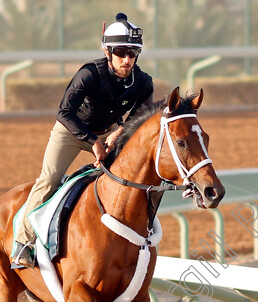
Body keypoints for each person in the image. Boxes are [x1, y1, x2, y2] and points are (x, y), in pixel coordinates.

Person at [11, 12, 155, 269]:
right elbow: (64, 112)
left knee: (127, 177)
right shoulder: (89, 74)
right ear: (107, 51)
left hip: (107, 132)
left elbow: (137, 118)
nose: (126, 59)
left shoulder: (143, 83)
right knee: (49, 180)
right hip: (70, 131)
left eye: (132, 53)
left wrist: (118, 130)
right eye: (121, 52)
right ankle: (22, 243)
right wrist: (93, 142)